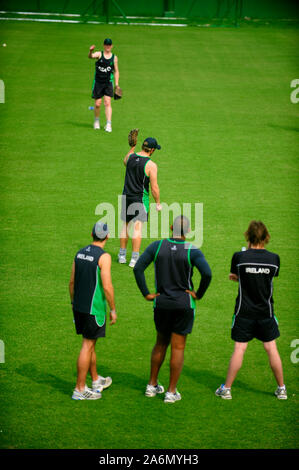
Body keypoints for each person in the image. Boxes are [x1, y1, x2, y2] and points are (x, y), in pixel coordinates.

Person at [133, 215, 212, 403]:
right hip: (183, 304)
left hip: (161, 303)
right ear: (189, 231)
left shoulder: (157, 246)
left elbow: (138, 268)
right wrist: (198, 293)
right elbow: (207, 273)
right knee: (178, 347)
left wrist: (146, 293)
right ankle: (171, 391)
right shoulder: (192, 250)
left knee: (160, 343)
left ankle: (151, 386)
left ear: (171, 228)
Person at [216, 220, 287, 400]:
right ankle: (282, 389)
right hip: (266, 312)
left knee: (239, 348)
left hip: (244, 312)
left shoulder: (239, 257)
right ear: (266, 237)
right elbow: (267, 279)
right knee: (271, 347)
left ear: (248, 236)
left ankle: (227, 389)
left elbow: (237, 276)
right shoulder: (274, 259)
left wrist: (239, 276)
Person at [69, 222, 117, 400]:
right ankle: (79, 389)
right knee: (87, 345)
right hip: (94, 309)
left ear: (91, 234)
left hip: (79, 307)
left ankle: (96, 380)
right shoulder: (104, 257)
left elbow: (72, 283)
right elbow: (107, 286)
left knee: (90, 343)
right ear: (107, 236)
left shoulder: (79, 253)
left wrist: (73, 304)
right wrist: (112, 309)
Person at [118, 136, 162, 268]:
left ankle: (121, 256)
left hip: (127, 195)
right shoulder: (151, 165)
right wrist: (158, 203)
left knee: (125, 225)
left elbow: (125, 161)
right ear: (152, 150)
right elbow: (154, 187)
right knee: (137, 228)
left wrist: (132, 147)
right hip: (140, 199)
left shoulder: (130, 157)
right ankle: (134, 259)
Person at [88, 38, 119, 132]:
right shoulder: (99, 54)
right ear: (104, 45)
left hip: (108, 82)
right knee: (97, 104)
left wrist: (116, 84)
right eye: (106, 45)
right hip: (98, 82)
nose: (108, 46)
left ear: (112, 46)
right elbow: (91, 56)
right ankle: (96, 121)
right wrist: (90, 51)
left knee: (107, 102)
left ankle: (109, 124)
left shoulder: (114, 58)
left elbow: (116, 71)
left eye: (109, 45)